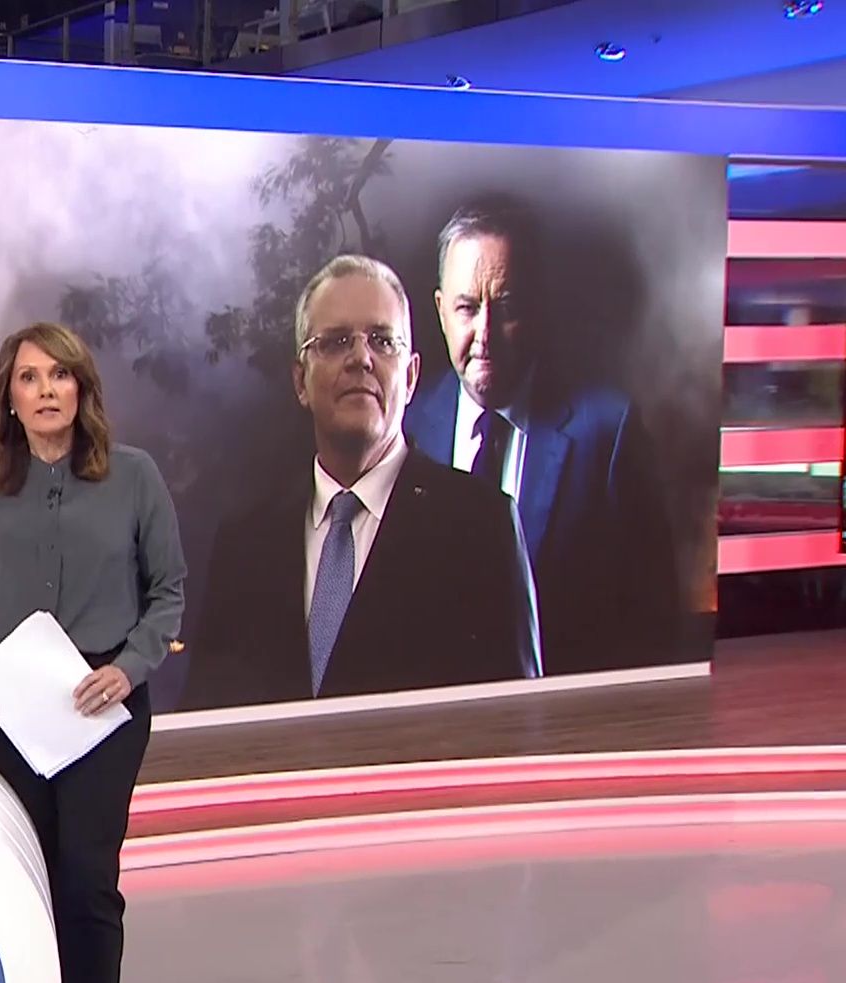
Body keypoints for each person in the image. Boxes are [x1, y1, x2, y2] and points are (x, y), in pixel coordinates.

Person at [0, 321, 185, 983]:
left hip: (102, 708)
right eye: (29, 378)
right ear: (9, 399)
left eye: (60, 375)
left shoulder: (134, 476)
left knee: (86, 878)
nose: (46, 390)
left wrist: (131, 668)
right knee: (33, 879)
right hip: (12, 716)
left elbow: (168, 592)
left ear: (82, 389)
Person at [186, 254, 540, 710]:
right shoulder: (244, 543)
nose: (361, 358)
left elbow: (517, 726)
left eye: (382, 341)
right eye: (336, 342)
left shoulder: (481, 526)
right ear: (300, 381)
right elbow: (209, 720)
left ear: (410, 377)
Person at [404, 198, 680, 674]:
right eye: (467, 308)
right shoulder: (407, 428)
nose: (485, 333)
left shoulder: (608, 433)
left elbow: (654, 626)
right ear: (440, 310)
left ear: (537, 307)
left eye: (507, 306)